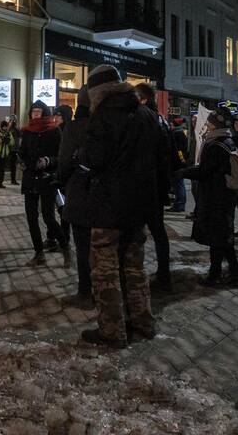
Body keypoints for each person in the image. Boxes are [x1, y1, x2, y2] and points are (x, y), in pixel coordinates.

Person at [80, 65, 160, 348]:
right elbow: (160, 159)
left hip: (109, 205)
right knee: (135, 265)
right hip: (140, 204)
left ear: (97, 93)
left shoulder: (103, 117)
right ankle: (143, 322)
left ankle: (112, 330)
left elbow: (95, 159)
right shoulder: (146, 115)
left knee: (105, 268)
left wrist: (83, 154)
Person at [178, 108, 238, 287]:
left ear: (215, 124)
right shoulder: (228, 141)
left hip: (217, 196)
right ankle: (233, 272)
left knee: (218, 237)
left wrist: (182, 172)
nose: (206, 125)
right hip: (226, 195)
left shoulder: (215, 144)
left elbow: (204, 171)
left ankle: (217, 275)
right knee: (223, 237)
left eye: (209, 122)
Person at [19, 99, 70, 267]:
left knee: (49, 217)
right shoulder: (27, 131)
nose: (35, 115)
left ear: (45, 114)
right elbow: (22, 152)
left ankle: (65, 248)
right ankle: (39, 253)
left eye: (38, 112)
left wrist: (49, 160)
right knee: (31, 219)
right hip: (30, 179)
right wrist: (23, 161)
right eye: (33, 112)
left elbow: (60, 156)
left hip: (46, 179)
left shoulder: (54, 131)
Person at [57, 85, 94, 310]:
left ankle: (85, 291)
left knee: (83, 246)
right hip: (108, 197)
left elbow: (64, 163)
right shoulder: (112, 124)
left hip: (80, 192)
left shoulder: (75, 127)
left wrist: (62, 182)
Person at [134, 83, 174, 292]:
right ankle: (164, 273)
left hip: (144, 183)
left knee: (139, 231)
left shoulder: (142, 119)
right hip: (158, 183)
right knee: (158, 230)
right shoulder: (162, 121)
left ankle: (139, 275)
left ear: (141, 98)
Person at [168, 117, 190, 213]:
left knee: (179, 184)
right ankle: (179, 204)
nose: (170, 126)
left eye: (171, 125)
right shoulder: (181, 133)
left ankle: (180, 205)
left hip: (177, 163)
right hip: (179, 162)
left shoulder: (177, 134)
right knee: (179, 184)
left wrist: (180, 161)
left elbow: (179, 150)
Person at [8, 115, 21, 185]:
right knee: (11, 165)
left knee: (14, 165)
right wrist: (10, 125)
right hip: (10, 149)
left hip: (15, 149)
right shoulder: (9, 128)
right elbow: (8, 133)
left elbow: (20, 134)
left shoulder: (16, 128)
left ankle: (13, 180)